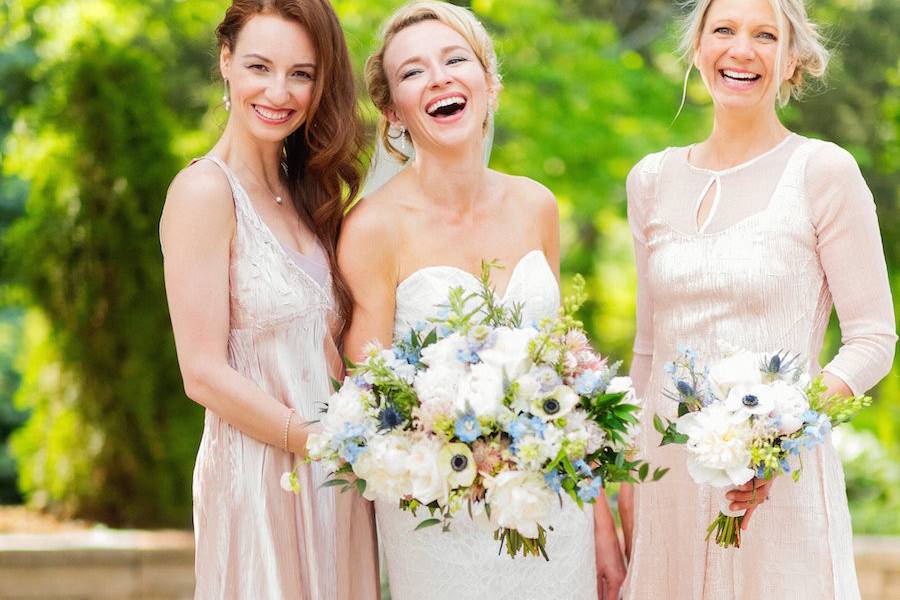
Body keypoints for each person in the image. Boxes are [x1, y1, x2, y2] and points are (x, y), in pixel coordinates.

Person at [339, 2, 626, 599]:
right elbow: (368, 396)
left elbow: (566, 377)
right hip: (442, 521)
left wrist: (601, 525)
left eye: (455, 59)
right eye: (413, 72)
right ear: (393, 111)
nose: (439, 77)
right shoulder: (372, 228)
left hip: (555, 510)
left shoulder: (536, 205)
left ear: (488, 83)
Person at [620, 0, 896, 597]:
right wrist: (628, 482)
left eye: (765, 35)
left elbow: (873, 339)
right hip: (668, 482)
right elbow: (649, 347)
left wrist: (776, 437)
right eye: (723, 30)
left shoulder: (823, 171)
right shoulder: (649, 180)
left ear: (792, 60)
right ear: (697, 49)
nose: (741, 49)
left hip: (781, 482)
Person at [159, 1, 378, 597]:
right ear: (226, 60)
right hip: (259, 476)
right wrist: (318, 442)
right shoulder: (204, 192)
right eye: (260, 66)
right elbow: (201, 373)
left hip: (336, 479)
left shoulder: (311, 194)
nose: (279, 91)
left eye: (301, 74)